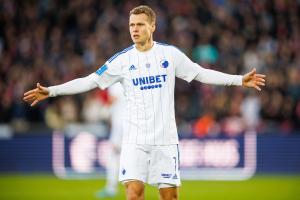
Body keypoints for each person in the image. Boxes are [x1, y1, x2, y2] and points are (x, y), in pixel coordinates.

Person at [23, 5, 266, 200]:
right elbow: (90, 81)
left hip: (166, 141)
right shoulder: (122, 60)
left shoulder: (170, 55)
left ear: (153, 26)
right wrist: (52, 91)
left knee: (169, 196)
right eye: (131, 25)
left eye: (140, 24)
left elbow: (200, 73)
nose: (134, 29)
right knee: (133, 194)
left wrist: (238, 80)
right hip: (134, 141)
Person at [96, 83, 125, 198]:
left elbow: (113, 98)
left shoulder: (116, 82)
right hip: (130, 124)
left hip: (120, 126)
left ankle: (111, 188)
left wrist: (105, 110)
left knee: (113, 156)